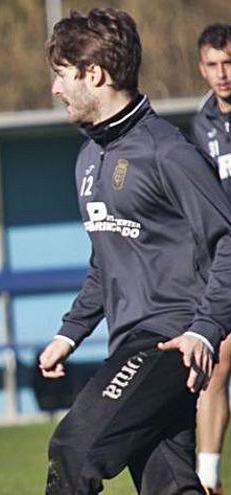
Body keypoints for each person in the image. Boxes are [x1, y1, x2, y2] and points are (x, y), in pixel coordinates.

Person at [38, 9, 231, 494]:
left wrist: (205, 332)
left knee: (74, 450)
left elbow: (228, 239)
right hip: (130, 343)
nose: (55, 90)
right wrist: (71, 332)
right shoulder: (88, 158)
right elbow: (107, 258)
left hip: (170, 341)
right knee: (167, 485)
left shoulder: (169, 153)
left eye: (62, 75)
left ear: (95, 75)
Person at [191, 23, 231, 495]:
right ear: (202, 68)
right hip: (225, 261)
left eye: (229, 63)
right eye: (214, 65)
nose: (222, 74)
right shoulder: (200, 126)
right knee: (217, 361)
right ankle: (207, 479)